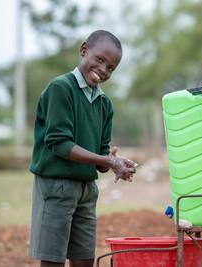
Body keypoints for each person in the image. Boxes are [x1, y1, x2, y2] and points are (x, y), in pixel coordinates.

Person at [28, 30, 138, 267]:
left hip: (87, 190)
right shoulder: (61, 88)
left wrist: (114, 163)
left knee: (84, 259)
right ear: (84, 50)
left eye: (110, 68)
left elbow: (100, 161)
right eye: (100, 60)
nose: (103, 69)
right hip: (55, 186)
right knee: (53, 260)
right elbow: (59, 144)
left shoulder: (104, 104)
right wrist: (107, 161)